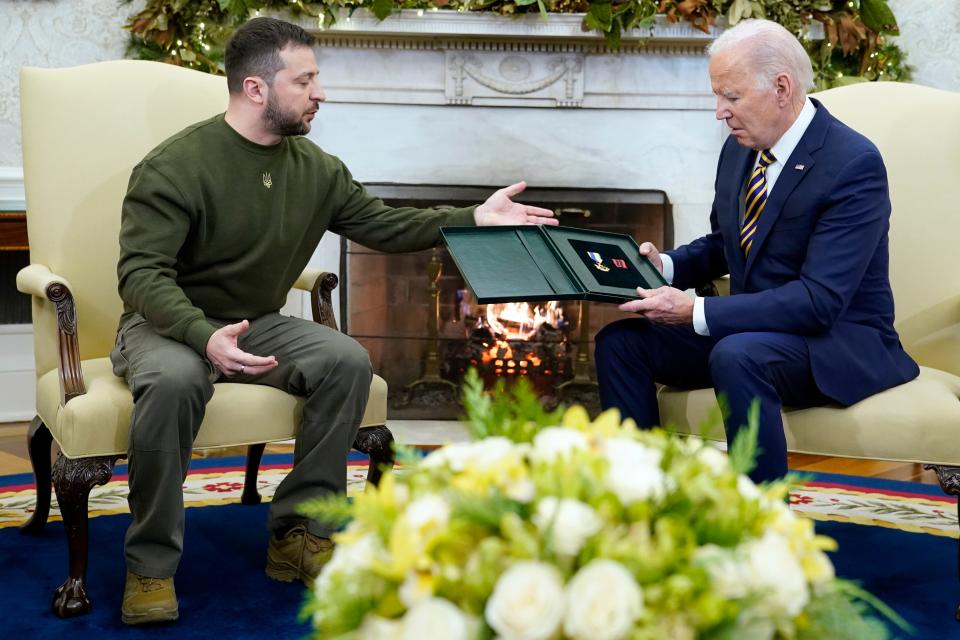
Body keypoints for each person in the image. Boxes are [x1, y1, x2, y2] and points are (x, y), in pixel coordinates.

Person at [113, 16, 557, 625]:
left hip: (254, 321)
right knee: (174, 381)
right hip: (168, 325)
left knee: (346, 361)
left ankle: (301, 535)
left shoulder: (316, 169)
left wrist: (474, 218)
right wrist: (202, 336)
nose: (321, 92)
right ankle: (151, 567)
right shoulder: (175, 166)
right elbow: (140, 278)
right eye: (306, 80)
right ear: (256, 89)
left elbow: (384, 226)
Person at [594, 19, 918, 485]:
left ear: (781, 88)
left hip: (836, 341)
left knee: (737, 355)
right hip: (753, 331)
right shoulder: (740, 149)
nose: (719, 112)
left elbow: (819, 302)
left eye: (732, 96)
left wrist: (696, 311)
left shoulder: (852, 164)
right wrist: (664, 266)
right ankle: (639, 498)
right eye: (717, 95)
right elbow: (725, 244)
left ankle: (757, 523)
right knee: (621, 344)